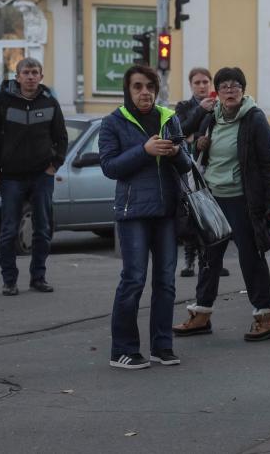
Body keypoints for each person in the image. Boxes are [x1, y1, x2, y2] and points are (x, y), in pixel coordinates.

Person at [172, 67, 270, 341]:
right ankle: (202, 314)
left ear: (242, 90)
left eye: (235, 86)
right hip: (213, 198)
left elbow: (269, 164)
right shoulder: (210, 118)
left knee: (250, 257)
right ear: (216, 92)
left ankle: (264, 316)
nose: (229, 91)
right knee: (209, 259)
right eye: (224, 87)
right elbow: (179, 133)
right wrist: (200, 145)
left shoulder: (255, 120)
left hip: (243, 200)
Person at [99, 65, 191, 370]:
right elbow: (110, 167)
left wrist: (175, 152)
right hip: (133, 213)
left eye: (150, 86)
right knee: (134, 279)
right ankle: (122, 349)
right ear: (128, 90)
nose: (144, 92)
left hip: (166, 212)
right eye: (138, 86)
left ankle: (162, 346)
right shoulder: (113, 122)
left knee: (166, 282)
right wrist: (145, 150)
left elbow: (187, 164)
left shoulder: (168, 117)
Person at [0, 58, 68, 297]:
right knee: (8, 230)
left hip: (42, 175)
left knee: (43, 229)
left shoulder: (50, 102)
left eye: (35, 73)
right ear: (17, 77)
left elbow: (61, 137)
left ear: (41, 76)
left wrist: (55, 165)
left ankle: (38, 278)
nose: (30, 77)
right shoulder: (3, 101)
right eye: (26, 73)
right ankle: (9, 281)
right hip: (11, 177)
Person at [175, 67, 228, 279]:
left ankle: (211, 259)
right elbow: (181, 131)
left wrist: (195, 139)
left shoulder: (219, 105)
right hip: (188, 167)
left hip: (212, 166)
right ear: (191, 85)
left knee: (210, 214)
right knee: (191, 214)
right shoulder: (184, 106)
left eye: (205, 82)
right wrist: (200, 111)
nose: (202, 86)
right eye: (197, 83)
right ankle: (189, 261)